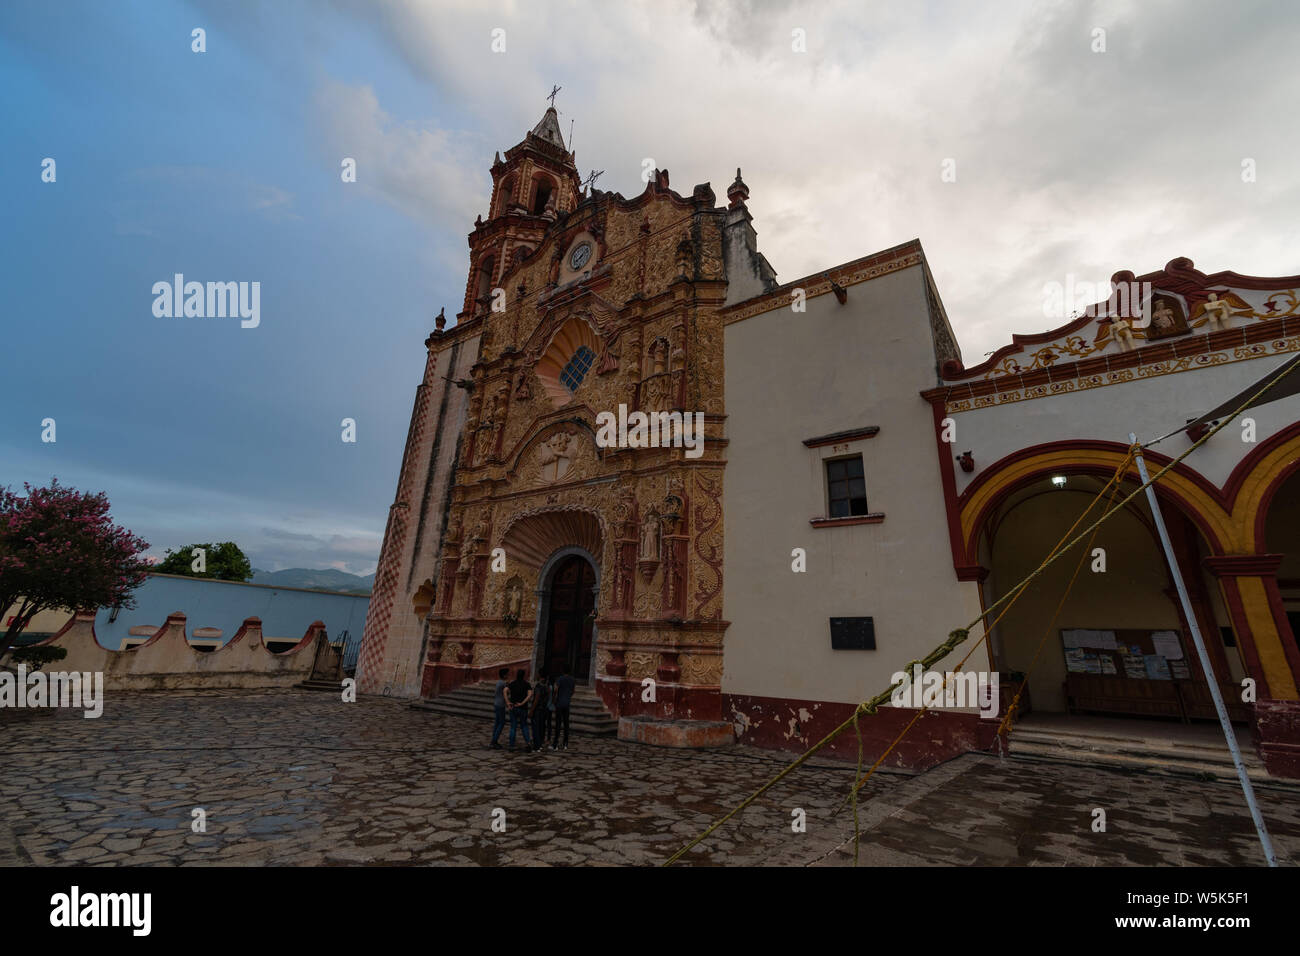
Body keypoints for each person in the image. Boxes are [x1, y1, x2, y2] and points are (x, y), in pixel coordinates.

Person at [505, 668, 533, 750]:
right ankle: (528, 742)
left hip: (513, 707)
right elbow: (530, 695)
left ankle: (511, 744)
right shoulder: (526, 684)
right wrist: (522, 703)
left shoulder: (513, 683)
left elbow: (504, 690)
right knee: (524, 725)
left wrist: (507, 702)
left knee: (513, 726)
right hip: (523, 708)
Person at [552, 666, 575, 751]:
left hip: (559, 703)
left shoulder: (560, 679)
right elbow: (573, 691)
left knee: (558, 724)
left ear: (562, 671)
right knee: (566, 724)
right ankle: (565, 743)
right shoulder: (572, 680)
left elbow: (555, 689)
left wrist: (554, 699)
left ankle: (555, 744)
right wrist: (568, 697)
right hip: (567, 703)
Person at [530, 671, 552, 753]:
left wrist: (531, 710)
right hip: (544, 708)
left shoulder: (539, 686)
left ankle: (537, 745)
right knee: (542, 727)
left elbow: (536, 699)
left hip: (538, 709)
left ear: (540, 675)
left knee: (536, 727)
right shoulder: (547, 686)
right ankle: (540, 743)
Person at [490, 667, 509, 749]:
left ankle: (493, 740)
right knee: (501, 723)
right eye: (507, 674)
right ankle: (494, 741)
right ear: (504, 675)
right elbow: (507, 692)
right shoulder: (503, 684)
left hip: (496, 704)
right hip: (501, 705)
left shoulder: (499, 682)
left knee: (497, 723)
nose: (508, 675)